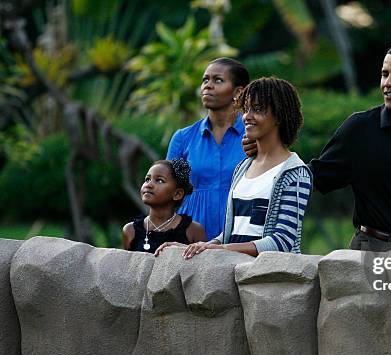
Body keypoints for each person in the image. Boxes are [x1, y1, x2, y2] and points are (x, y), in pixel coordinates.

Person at [244, 43, 391, 251]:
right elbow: (311, 177)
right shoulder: (360, 128)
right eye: (384, 74)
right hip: (370, 251)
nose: (387, 82)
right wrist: (266, 152)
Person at [156, 77, 313, 258]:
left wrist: (222, 249)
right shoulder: (242, 168)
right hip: (236, 274)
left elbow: (282, 241)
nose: (247, 116)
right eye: (246, 109)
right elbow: (231, 233)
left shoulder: (294, 173)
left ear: (279, 115)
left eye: (258, 110)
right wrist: (201, 247)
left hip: (271, 280)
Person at [166, 57, 250, 240]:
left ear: (238, 92)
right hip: (190, 236)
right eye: (205, 80)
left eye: (217, 80)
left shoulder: (254, 136)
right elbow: (169, 193)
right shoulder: (183, 138)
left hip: (240, 234)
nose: (207, 86)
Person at [122, 159, 206, 253]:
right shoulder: (130, 231)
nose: (149, 184)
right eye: (147, 179)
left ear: (177, 194)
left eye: (159, 180)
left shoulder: (193, 230)